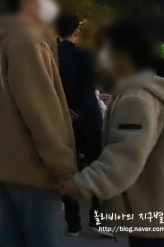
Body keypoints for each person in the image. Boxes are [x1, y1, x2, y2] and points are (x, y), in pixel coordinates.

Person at [59, 21, 164, 246]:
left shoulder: (135, 98)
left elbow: (123, 158)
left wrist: (82, 184)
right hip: (154, 215)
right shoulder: (137, 93)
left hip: (149, 221)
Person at [0, 0, 76, 247]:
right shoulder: (27, 40)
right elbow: (39, 109)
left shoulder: (1, 38)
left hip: (6, 164)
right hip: (32, 166)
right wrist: (63, 166)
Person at [55, 13, 104, 236]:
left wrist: (65, 106)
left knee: (68, 168)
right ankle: (97, 215)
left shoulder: (51, 54)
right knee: (96, 164)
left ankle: (73, 221)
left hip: (62, 116)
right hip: (88, 115)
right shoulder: (86, 55)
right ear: (77, 31)